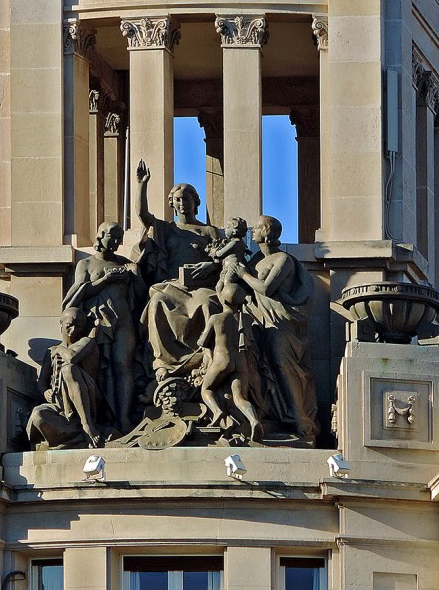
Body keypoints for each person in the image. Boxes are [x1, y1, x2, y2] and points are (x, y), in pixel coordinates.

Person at [229, 216, 320, 443]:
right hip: (262, 322)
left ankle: (299, 416)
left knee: (282, 365)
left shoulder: (283, 260)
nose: (254, 230)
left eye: (258, 227)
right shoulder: (256, 260)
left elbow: (265, 288)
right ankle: (268, 413)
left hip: (282, 323)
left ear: (268, 233)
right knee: (264, 366)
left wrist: (242, 274)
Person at [134, 160, 222, 379]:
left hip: (201, 286)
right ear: (172, 204)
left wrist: (211, 265)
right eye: (178, 200)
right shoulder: (166, 229)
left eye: (187, 199)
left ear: (195, 202)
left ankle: (208, 358)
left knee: (208, 303)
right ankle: (162, 361)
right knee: (156, 304)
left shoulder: (208, 230)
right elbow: (142, 215)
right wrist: (142, 184)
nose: (183, 203)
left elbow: (222, 259)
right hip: (173, 285)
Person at [62, 222, 146, 433]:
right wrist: (106, 280)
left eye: (119, 238)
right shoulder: (87, 264)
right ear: (100, 236)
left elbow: (143, 295)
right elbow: (77, 296)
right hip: (96, 324)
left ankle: (124, 418)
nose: (116, 242)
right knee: (101, 370)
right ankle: (103, 419)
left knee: (123, 367)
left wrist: (136, 274)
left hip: (124, 322)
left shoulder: (126, 264)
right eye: (112, 237)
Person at [26, 308, 103, 449]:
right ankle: (71, 436)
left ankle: (87, 426)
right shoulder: (50, 352)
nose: (73, 330)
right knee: (37, 415)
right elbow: (41, 381)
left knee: (68, 369)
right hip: (59, 405)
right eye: (69, 325)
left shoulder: (87, 342)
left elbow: (72, 358)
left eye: (78, 326)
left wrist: (59, 350)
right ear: (61, 324)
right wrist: (45, 392)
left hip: (87, 399)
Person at [197, 281, 261, 442]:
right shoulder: (245, 319)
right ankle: (254, 420)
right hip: (241, 361)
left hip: (222, 359)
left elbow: (203, 342)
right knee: (239, 398)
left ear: (223, 300)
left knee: (206, 389)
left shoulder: (216, 318)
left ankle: (217, 412)